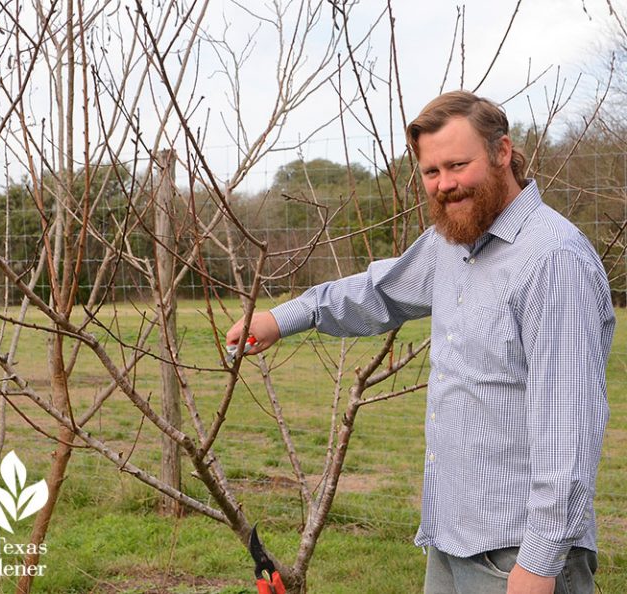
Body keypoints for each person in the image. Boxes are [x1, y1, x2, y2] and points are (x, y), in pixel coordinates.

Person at [226, 91, 615, 594]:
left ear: (502, 152)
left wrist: (539, 564)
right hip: (452, 538)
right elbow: (377, 292)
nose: (445, 185)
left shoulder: (553, 260)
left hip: (520, 554)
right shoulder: (453, 243)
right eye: (431, 173)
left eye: (458, 165)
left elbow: (569, 427)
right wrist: (283, 317)